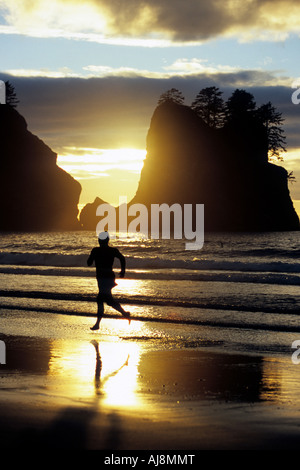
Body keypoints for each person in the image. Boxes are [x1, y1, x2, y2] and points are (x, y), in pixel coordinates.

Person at [87, 231, 130, 330]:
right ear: (108, 240)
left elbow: (89, 263)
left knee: (100, 298)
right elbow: (122, 258)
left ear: (99, 240)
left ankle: (97, 324)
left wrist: (92, 256)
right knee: (108, 300)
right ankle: (125, 314)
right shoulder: (112, 250)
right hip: (108, 276)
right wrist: (123, 270)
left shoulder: (96, 250)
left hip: (103, 277)